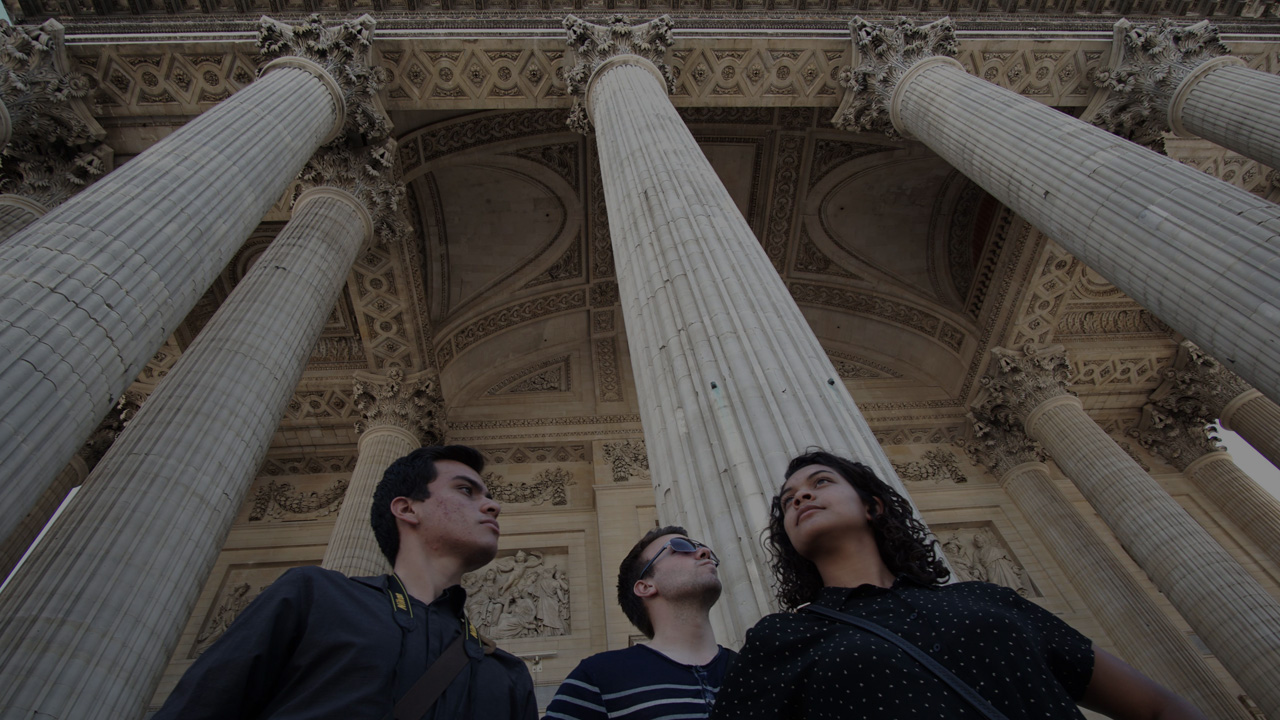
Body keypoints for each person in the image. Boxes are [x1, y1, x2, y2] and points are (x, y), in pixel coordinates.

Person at [711, 450, 1209, 720]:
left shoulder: (988, 599)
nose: (800, 498)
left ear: (872, 505)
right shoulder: (780, 639)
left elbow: (1157, 706)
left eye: (820, 483)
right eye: (788, 500)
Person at [154, 445, 537, 720]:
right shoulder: (313, 598)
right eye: (466, 491)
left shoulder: (505, 673)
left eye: (489, 496)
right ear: (406, 508)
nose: (493, 505)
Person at [545, 526, 737, 720]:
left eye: (702, 547)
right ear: (645, 586)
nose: (704, 552)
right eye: (680, 547)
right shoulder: (599, 678)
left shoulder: (755, 669)